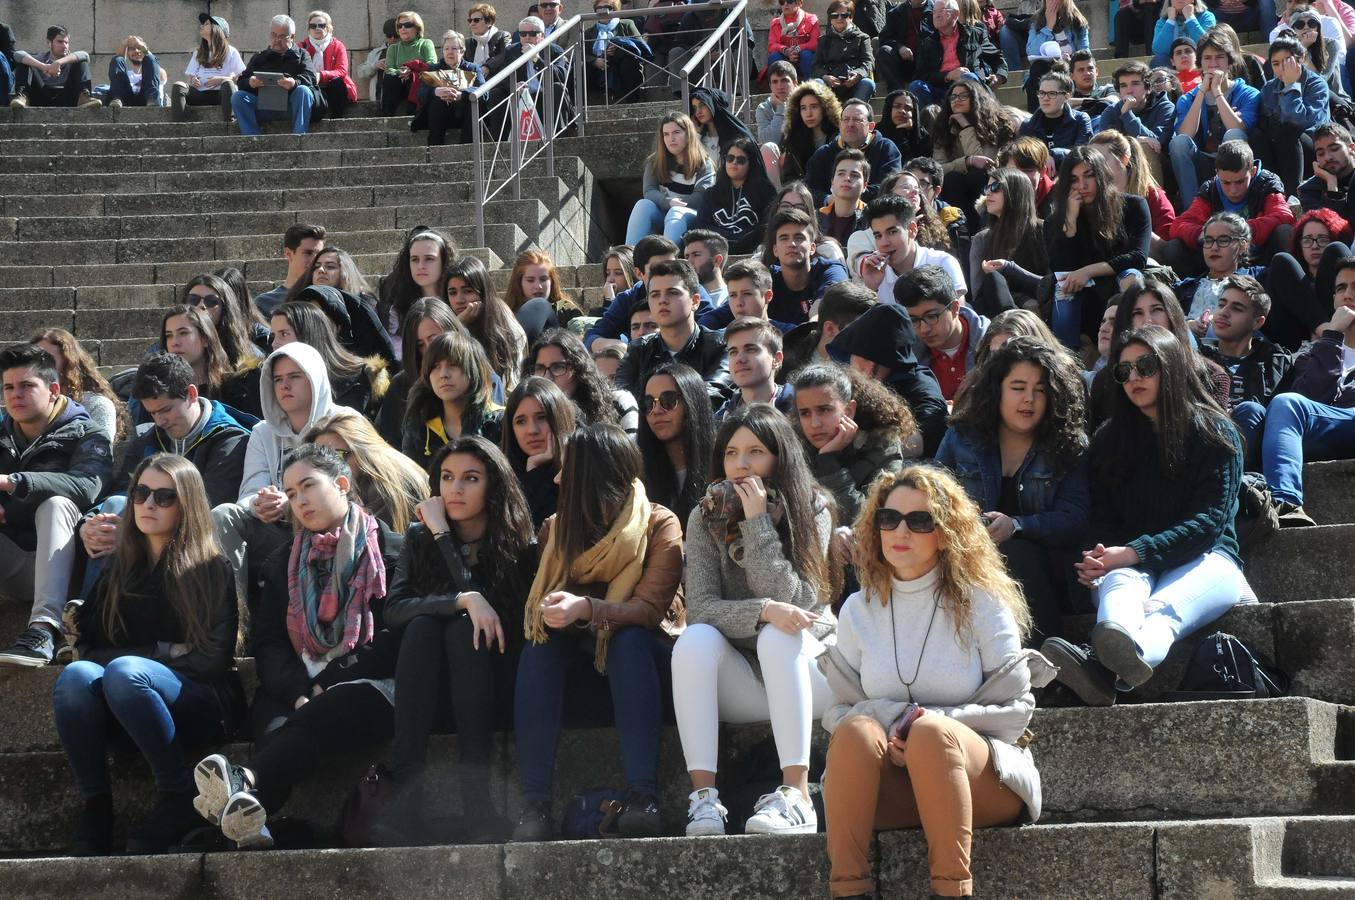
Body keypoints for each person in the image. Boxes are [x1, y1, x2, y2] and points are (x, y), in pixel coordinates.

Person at [820, 465, 1043, 900]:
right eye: (889, 518)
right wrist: (895, 724)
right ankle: (849, 890)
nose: (900, 530)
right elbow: (837, 710)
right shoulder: (857, 610)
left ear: (945, 532)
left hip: (983, 782)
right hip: (894, 789)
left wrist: (923, 725)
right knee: (854, 732)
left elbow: (1017, 713)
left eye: (920, 521)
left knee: (930, 734)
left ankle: (953, 890)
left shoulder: (983, 602)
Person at [193, 445, 404, 850]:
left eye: (308, 486)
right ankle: (253, 821)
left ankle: (246, 784)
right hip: (294, 687)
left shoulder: (393, 552)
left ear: (341, 485)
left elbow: (392, 638)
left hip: (369, 683)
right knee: (275, 726)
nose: (299, 500)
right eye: (290, 493)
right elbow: (269, 642)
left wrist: (326, 684)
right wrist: (298, 692)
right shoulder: (282, 561)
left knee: (317, 718)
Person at [1043, 325, 1245, 705]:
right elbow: (1099, 518)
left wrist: (1134, 552)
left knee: (1160, 612)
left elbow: (1208, 523)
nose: (1134, 377)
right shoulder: (1108, 440)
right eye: (1123, 371)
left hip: (1209, 559)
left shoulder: (1215, 433)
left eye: (1146, 366)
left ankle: (1099, 667)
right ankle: (1110, 659)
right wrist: (1097, 555)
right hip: (1132, 564)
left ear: (1170, 366)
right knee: (1120, 583)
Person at [56, 454, 238, 856]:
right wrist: (158, 651)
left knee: (124, 671)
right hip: (127, 706)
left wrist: (136, 664)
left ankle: (178, 795)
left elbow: (212, 661)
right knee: (75, 678)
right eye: (139, 493)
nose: (148, 504)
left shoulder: (211, 567)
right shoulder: (119, 568)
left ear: (186, 503)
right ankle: (97, 805)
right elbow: (86, 648)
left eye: (163, 496)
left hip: (197, 704)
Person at [510, 423, 684, 841]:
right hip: (585, 666)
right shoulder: (556, 529)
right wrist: (555, 612)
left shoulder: (659, 524)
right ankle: (535, 806)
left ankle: (645, 797)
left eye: (565, 470)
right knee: (540, 645)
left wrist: (586, 608)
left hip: (646, 665)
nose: (556, 479)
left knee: (627, 637)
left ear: (595, 475)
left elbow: (647, 611)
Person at [675, 403, 838, 837]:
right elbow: (702, 609)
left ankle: (797, 795)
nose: (740, 465)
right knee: (694, 642)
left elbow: (799, 602)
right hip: (745, 679)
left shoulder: (813, 507)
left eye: (755, 452)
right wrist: (761, 611)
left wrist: (758, 524)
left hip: (811, 674)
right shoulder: (703, 515)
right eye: (731, 453)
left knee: (778, 635)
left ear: (779, 458)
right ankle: (705, 801)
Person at [381, 437, 537, 842]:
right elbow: (394, 610)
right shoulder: (419, 537)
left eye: (470, 478)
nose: (455, 489)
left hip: (489, 686)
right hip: (428, 691)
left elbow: (498, 626)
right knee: (423, 625)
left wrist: (444, 540)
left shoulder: (515, 542)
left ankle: (478, 804)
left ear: (494, 487)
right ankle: (405, 803)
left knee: (462, 627)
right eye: (447, 478)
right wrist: (461, 598)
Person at [936, 337, 1090, 642]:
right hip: (971, 557)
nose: (1029, 399)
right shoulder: (961, 437)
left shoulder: (1069, 446)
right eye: (1018, 388)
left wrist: (1018, 526)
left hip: (1048, 571)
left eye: (1040, 391)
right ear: (998, 390)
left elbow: (1074, 518)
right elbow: (932, 492)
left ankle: (1050, 661)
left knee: (1015, 550)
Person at [212, 342, 357, 610]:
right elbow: (248, 494)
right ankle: (233, 618)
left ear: (315, 378)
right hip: (279, 531)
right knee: (223, 514)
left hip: (337, 530)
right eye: (278, 379)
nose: (284, 386)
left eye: (294, 377)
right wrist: (260, 503)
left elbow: (356, 489)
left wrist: (291, 503)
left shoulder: (345, 422)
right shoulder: (262, 432)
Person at [0, 345, 113, 667]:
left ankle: (43, 631)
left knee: (57, 504)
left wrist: (13, 482)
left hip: (66, 562)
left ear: (53, 390)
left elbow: (86, 485)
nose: (15, 395)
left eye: (26, 386)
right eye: (9, 387)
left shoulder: (87, 433)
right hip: (13, 561)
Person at [1257, 255, 1355, 525]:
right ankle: (1284, 502)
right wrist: (1333, 336)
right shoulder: (1310, 354)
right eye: (1341, 288)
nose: (1347, 295)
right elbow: (1311, 398)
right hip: (1323, 431)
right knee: (1275, 406)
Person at [1046, 146, 1152, 349]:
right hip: (1082, 298)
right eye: (1074, 179)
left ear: (1102, 176)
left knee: (1132, 276)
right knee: (1064, 288)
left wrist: (1088, 271)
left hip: (1117, 287)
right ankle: (1065, 363)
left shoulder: (1134, 206)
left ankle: (1134, 347)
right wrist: (1070, 222)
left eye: (1089, 176)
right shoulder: (1054, 222)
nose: (1082, 185)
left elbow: (1138, 257)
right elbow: (1060, 270)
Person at [792, 362, 921, 522]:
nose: (814, 423)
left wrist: (828, 462)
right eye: (805, 413)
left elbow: (867, 520)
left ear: (849, 410)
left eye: (824, 410)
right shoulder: (792, 445)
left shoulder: (883, 446)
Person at [828, 303, 950, 455]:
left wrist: (858, 443)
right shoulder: (839, 381)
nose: (869, 369)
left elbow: (929, 434)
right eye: (863, 359)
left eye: (878, 362)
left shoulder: (919, 384)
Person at [1197, 274, 1293, 462]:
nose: (1224, 312)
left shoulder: (1276, 361)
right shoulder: (1198, 354)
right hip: (1204, 437)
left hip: (1251, 447)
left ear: (1258, 322)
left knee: (1251, 410)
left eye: (1237, 308)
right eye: (1222, 304)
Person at [615, 259, 736, 407]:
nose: (662, 300)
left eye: (672, 292)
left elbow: (711, 395)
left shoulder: (720, 345)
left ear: (695, 301)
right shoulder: (638, 349)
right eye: (655, 294)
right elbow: (620, 398)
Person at [1167, 140, 1295, 272]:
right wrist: (1206, 235)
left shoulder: (1266, 183)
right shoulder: (1210, 189)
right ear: (1217, 173)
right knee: (1174, 247)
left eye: (1240, 181)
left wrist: (1240, 231)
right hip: (1217, 260)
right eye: (1226, 183)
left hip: (1260, 258)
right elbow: (1179, 225)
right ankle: (1193, 289)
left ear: (1252, 171)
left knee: (1284, 232)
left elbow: (1284, 216)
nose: (1233, 190)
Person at [1168, 30, 1262, 209]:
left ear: (1229, 61)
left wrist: (1217, 92)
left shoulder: (1248, 93)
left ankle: (1238, 205)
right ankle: (1192, 209)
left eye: (1219, 57)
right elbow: (1184, 134)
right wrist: (1202, 92)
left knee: (1233, 133)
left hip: (1235, 162)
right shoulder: (1188, 98)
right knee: (1178, 143)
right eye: (1207, 58)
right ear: (1200, 62)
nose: (1213, 64)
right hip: (1203, 160)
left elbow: (1238, 129)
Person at [303, 412, 428, 535]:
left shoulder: (388, 488)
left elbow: (360, 544)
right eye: (318, 460)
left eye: (337, 456)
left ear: (363, 450)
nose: (326, 468)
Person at [376, 299, 471, 446]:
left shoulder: (483, 376)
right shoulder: (401, 385)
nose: (429, 350)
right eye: (420, 345)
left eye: (434, 339)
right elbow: (389, 445)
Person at [402, 331, 505, 464]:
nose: (443, 374)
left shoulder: (499, 421)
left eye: (453, 364)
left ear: (474, 370)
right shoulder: (418, 426)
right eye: (435, 367)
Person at [637, 363, 717, 532]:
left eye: (668, 400)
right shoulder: (637, 472)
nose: (656, 411)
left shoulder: (723, 464)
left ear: (692, 402)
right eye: (648, 403)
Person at [1265, 206, 1354, 349]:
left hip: (1343, 337)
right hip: (1295, 346)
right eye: (1307, 240)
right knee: (1281, 260)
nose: (1314, 246)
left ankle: (1328, 332)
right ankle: (1324, 329)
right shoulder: (1286, 273)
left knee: (1335, 249)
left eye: (1322, 239)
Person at [896, 266, 990, 401]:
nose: (924, 329)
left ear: (954, 308)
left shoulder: (994, 344)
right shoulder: (904, 356)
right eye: (914, 320)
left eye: (931, 316)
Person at [1255, 34, 1332, 196]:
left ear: (1301, 58)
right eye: (1276, 64)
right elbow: (1263, 122)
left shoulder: (1316, 84)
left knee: (1288, 129)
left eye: (1287, 61)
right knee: (1257, 137)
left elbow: (1300, 122)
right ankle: (1269, 193)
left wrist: (1291, 86)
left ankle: (1294, 195)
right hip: (1279, 145)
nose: (1282, 68)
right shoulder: (1269, 88)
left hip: (1313, 145)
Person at [930, 80, 1020, 216]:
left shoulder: (994, 125)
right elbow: (939, 169)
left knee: (976, 174)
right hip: (958, 187)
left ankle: (987, 222)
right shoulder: (943, 129)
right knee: (952, 179)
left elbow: (985, 163)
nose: (956, 100)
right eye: (953, 97)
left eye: (963, 96)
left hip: (990, 181)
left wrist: (966, 127)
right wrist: (967, 161)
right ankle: (963, 228)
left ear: (976, 99)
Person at [857, 196, 968, 305]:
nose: (884, 243)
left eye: (892, 232)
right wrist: (871, 289)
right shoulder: (875, 272)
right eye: (878, 236)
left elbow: (958, 317)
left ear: (912, 230)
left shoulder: (943, 262)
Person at [969, 168, 1049, 316]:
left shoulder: (1043, 230)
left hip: (1043, 312)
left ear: (1016, 191)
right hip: (1000, 318)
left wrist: (1010, 269)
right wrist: (1022, 299)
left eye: (996, 187)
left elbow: (1055, 284)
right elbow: (981, 293)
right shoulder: (982, 239)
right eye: (987, 187)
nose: (988, 193)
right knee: (993, 279)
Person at [627, 112, 715, 245]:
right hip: (665, 211)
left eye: (676, 132)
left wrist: (676, 204)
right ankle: (628, 258)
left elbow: (702, 197)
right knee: (642, 205)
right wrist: (667, 202)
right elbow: (649, 191)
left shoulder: (704, 163)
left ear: (688, 135)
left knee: (675, 211)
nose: (671, 138)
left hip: (693, 216)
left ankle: (667, 261)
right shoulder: (655, 162)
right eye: (666, 134)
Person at [501, 377, 577, 528]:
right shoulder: (501, 480)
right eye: (521, 421)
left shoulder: (584, 467)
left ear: (559, 417)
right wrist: (534, 474)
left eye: (542, 418)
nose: (532, 430)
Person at [1173, 213, 1269, 331]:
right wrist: (1187, 325)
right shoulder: (1184, 288)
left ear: (1242, 246)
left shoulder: (1260, 277)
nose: (1214, 247)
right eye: (1208, 241)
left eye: (1223, 240)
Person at [527, 329, 633, 434]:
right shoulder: (526, 414)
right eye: (540, 368)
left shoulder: (618, 402)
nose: (547, 377)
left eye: (558, 367)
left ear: (579, 370)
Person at [445, 255, 527, 391]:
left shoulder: (502, 320)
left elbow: (511, 383)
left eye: (468, 291)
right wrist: (458, 326)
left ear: (483, 292)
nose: (459, 299)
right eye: (452, 293)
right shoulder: (447, 322)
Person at [30, 328, 125, 443]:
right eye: (34, 360)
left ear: (68, 363)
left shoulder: (96, 405)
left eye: (48, 359)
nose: (39, 366)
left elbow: (98, 454)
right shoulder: (24, 404)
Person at [908, 0, 1008, 109]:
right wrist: (947, 75)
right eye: (934, 12)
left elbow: (998, 58)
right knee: (916, 86)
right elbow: (919, 75)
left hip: (969, 87)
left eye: (941, 10)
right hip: (940, 91)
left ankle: (975, 121)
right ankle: (931, 123)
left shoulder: (975, 35)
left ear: (955, 14)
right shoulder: (927, 43)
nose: (936, 15)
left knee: (968, 76)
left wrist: (999, 76)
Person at [1088, 130, 1177, 251]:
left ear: (1124, 159)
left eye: (1102, 160)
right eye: (1091, 162)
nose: (1095, 168)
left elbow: (1167, 248)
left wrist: (1132, 227)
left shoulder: (1152, 195)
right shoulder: (1090, 195)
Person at [231, 16, 318, 137]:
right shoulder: (260, 57)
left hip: (291, 108)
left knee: (303, 91)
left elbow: (311, 78)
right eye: (273, 35)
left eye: (282, 36)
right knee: (238, 97)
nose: (276, 40)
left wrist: (294, 83)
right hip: (263, 107)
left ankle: (298, 137)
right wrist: (250, 82)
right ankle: (252, 138)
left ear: (292, 36)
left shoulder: (302, 55)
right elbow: (241, 82)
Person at [805, 99, 903, 203]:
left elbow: (890, 187)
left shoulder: (886, 149)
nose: (850, 124)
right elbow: (808, 189)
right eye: (846, 119)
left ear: (870, 126)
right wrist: (827, 199)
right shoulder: (824, 153)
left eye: (857, 119)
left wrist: (846, 196)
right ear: (840, 124)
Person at [1096, 62, 1177, 187]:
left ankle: (1155, 203)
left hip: (1162, 170)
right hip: (1122, 165)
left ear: (1148, 88)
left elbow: (1158, 141)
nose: (1129, 90)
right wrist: (1135, 140)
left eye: (1135, 84)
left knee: (1146, 147)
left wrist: (1127, 114)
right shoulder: (1111, 111)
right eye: (1123, 86)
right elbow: (1104, 146)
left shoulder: (1165, 107)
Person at [378, 227, 456, 356]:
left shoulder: (457, 300)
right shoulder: (398, 309)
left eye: (429, 259)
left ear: (444, 261)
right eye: (414, 259)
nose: (420, 266)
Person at [692, 137, 778, 255]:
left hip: (753, 249)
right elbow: (701, 224)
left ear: (751, 163)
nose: (734, 163)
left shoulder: (766, 190)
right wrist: (730, 238)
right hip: (716, 250)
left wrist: (743, 239)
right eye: (730, 158)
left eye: (741, 160)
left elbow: (768, 222)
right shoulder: (711, 193)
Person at [179, 274, 269, 371]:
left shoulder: (251, 357)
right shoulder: (170, 347)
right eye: (193, 299)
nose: (201, 305)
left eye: (212, 301)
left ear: (225, 308)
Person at [410, 29, 483, 146]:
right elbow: (420, 94)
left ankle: (468, 147)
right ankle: (435, 146)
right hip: (440, 115)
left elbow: (484, 92)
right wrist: (435, 92)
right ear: (442, 52)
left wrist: (462, 95)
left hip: (465, 115)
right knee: (437, 102)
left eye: (454, 48)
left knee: (472, 102)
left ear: (462, 51)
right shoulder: (432, 69)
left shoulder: (473, 68)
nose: (450, 52)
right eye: (446, 49)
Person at [716, 318, 796, 421]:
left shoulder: (802, 411)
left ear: (777, 359)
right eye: (733, 352)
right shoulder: (720, 421)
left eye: (750, 349)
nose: (740, 359)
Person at [170, 14, 244, 120]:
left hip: (220, 94)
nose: (201, 26)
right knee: (178, 86)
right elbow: (191, 76)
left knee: (228, 84)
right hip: (199, 93)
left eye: (206, 24)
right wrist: (193, 79)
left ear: (217, 28)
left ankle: (229, 121)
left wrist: (222, 79)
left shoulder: (231, 51)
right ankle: (179, 125)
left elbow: (240, 77)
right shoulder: (198, 52)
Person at [10, 25, 100, 109]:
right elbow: (17, 54)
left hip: (67, 96)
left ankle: (84, 97)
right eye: (60, 41)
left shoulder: (72, 59)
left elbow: (85, 55)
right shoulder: (41, 57)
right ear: (49, 43)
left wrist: (58, 63)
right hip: (41, 95)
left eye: (66, 42)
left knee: (81, 62)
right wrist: (43, 67)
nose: (64, 46)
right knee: (25, 62)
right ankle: (22, 96)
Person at [251, 224, 327, 319]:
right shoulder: (265, 303)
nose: (315, 260)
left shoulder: (328, 298)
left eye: (319, 254)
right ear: (288, 254)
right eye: (308, 253)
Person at [1019, 70, 1093, 167]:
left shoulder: (1080, 119)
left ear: (1067, 96)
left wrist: (1053, 154)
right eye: (1041, 93)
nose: (1045, 98)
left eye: (1052, 93)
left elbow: (1083, 154)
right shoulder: (1028, 125)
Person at [161, 307, 233, 403]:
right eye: (169, 335)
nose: (174, 342)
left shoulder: (236, 387)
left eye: (183, 333)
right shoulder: (159, 390)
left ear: (206, 338)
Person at [502, 249, 582, 335]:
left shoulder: (568, 312)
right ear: (518, 282)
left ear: (552, 281)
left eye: (543, 279)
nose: (538, 286)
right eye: (530, 280)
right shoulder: (505, 316)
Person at [584, 0, 649, 101]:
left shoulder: (627, 24)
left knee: (627, 62)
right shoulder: (589, 32)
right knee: (583, 67)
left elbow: (641, 47)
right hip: (600, 72)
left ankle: (632, 101)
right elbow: (581, 54)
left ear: (615, 10)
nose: (603, 11)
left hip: (623, 70)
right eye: (599, 8)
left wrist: (620, 48)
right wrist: (594, 60)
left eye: (608, 8)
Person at [780, 81, 842, 186]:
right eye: (803, 108)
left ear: (825, 108)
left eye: (814, 107)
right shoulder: (793, 140)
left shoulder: (839, 138)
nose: (808, 114)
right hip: (804, 196)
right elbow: (789, 178)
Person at [297, 10, 356, 118]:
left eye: (322, 25)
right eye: (313, 26)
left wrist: (321, 75)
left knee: (337, 83)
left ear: (328, 28)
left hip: (332, 87)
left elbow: (342, 71)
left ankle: (337, 119)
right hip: (312, 86)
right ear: (309, 29)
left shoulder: (338, 45)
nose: (317, 28)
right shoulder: (301, 46)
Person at [814, 0, 876, 103]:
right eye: (834, 15)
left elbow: (869, 62)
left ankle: (855, 114)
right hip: (831, 83)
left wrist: (857, 74)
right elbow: (816, 66)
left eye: (844, 15)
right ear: (830, 19)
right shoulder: (823, 40)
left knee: (868, 83)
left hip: (855, 82)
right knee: (817, 82)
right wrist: (826, 77)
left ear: (851, 17)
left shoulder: (862, 38)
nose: (839, 18)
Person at [382, 10, 437, 116]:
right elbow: (389, 68)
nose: (402, 28)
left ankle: (413, 113)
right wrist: (401, 72)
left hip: (418, 83)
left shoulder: (426, 43)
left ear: (417, 27)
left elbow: (432, 64)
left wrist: (411, 71)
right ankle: (387, 115)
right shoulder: (393, 48)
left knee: (414, 77)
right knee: (389, 77)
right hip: (398, 83)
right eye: (399, 26)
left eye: (407, 25)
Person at [817, 149, 871, 248]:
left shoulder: (872, 220)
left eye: (854, 175)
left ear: (865, 186)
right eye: (841, 174)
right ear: (832, 182)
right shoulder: (816, 219)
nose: (847, 178)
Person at [878, 0, 935, 90]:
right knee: (884, 51)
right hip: (904, 61)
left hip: (927, 62)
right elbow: (884, 38)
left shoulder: (937, 9)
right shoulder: (896, 12)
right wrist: (899, 47)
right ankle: (897, 93)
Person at [757, 60, 798, 181]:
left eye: (784, 80)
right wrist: (782, 107)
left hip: (801, 155)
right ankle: (776, 197)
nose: (779, 86)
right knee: (768, 148)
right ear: (770, 86)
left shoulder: (804, 103)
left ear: (795, 83)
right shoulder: (764, 108)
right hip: (779, 160)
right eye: (775, 82)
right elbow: (768, 140)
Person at [768, 0, 821, 80]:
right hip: (785, 60)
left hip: (804, 61)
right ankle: (777, 87)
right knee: (774, 56)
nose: (785, 4)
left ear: (799, 3)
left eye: (789, 1)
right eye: (782, 1)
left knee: (806, 54)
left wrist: (798, 48)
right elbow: (771, 45)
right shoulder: (775, 23)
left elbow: (815, 43)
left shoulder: (811, 19)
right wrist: (785, 50)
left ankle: (811, 86)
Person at [1152, 0, 1216, 66]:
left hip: (1199, 60)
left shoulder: (1207, 16)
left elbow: (1206, 45)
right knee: (1159, 59)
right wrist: (1170, 21)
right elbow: (1159, 50)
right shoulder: (1163, 21)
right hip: (1173, 63)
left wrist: (1190, 18)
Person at [106, 35, 164, 108]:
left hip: (148, 100)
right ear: (128, 54)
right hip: (125, 100)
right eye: (132, 49)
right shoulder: (126, 74)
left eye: (139, 48)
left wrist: (143, 47)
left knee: (150, 58)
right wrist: (124, 45)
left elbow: (155, 66)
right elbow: (119, 61)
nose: (136, 51)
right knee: (117, 59)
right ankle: (117, 98)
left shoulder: (156, 70)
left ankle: (152, 98)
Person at [1025, 0, 1091, 62]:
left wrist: (1071, 61)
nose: (1053, 1)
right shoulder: (1037, 21)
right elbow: (1032, 52)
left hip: (1069, 70)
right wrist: (1048, 26)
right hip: (1045, 70)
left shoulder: (1077, 21)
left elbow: (1084, 54)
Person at [876, 90, 930, 163]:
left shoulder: (922, 136)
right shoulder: (876, 134)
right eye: (897, 106)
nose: (902, 111)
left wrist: (903, 133)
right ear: (889, 109)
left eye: (908, 108)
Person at [684, 230, 730, 307]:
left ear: (717, 260)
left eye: (696, 255)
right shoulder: (683, 298)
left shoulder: (732, 297)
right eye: (687, 257)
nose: (689, 262)